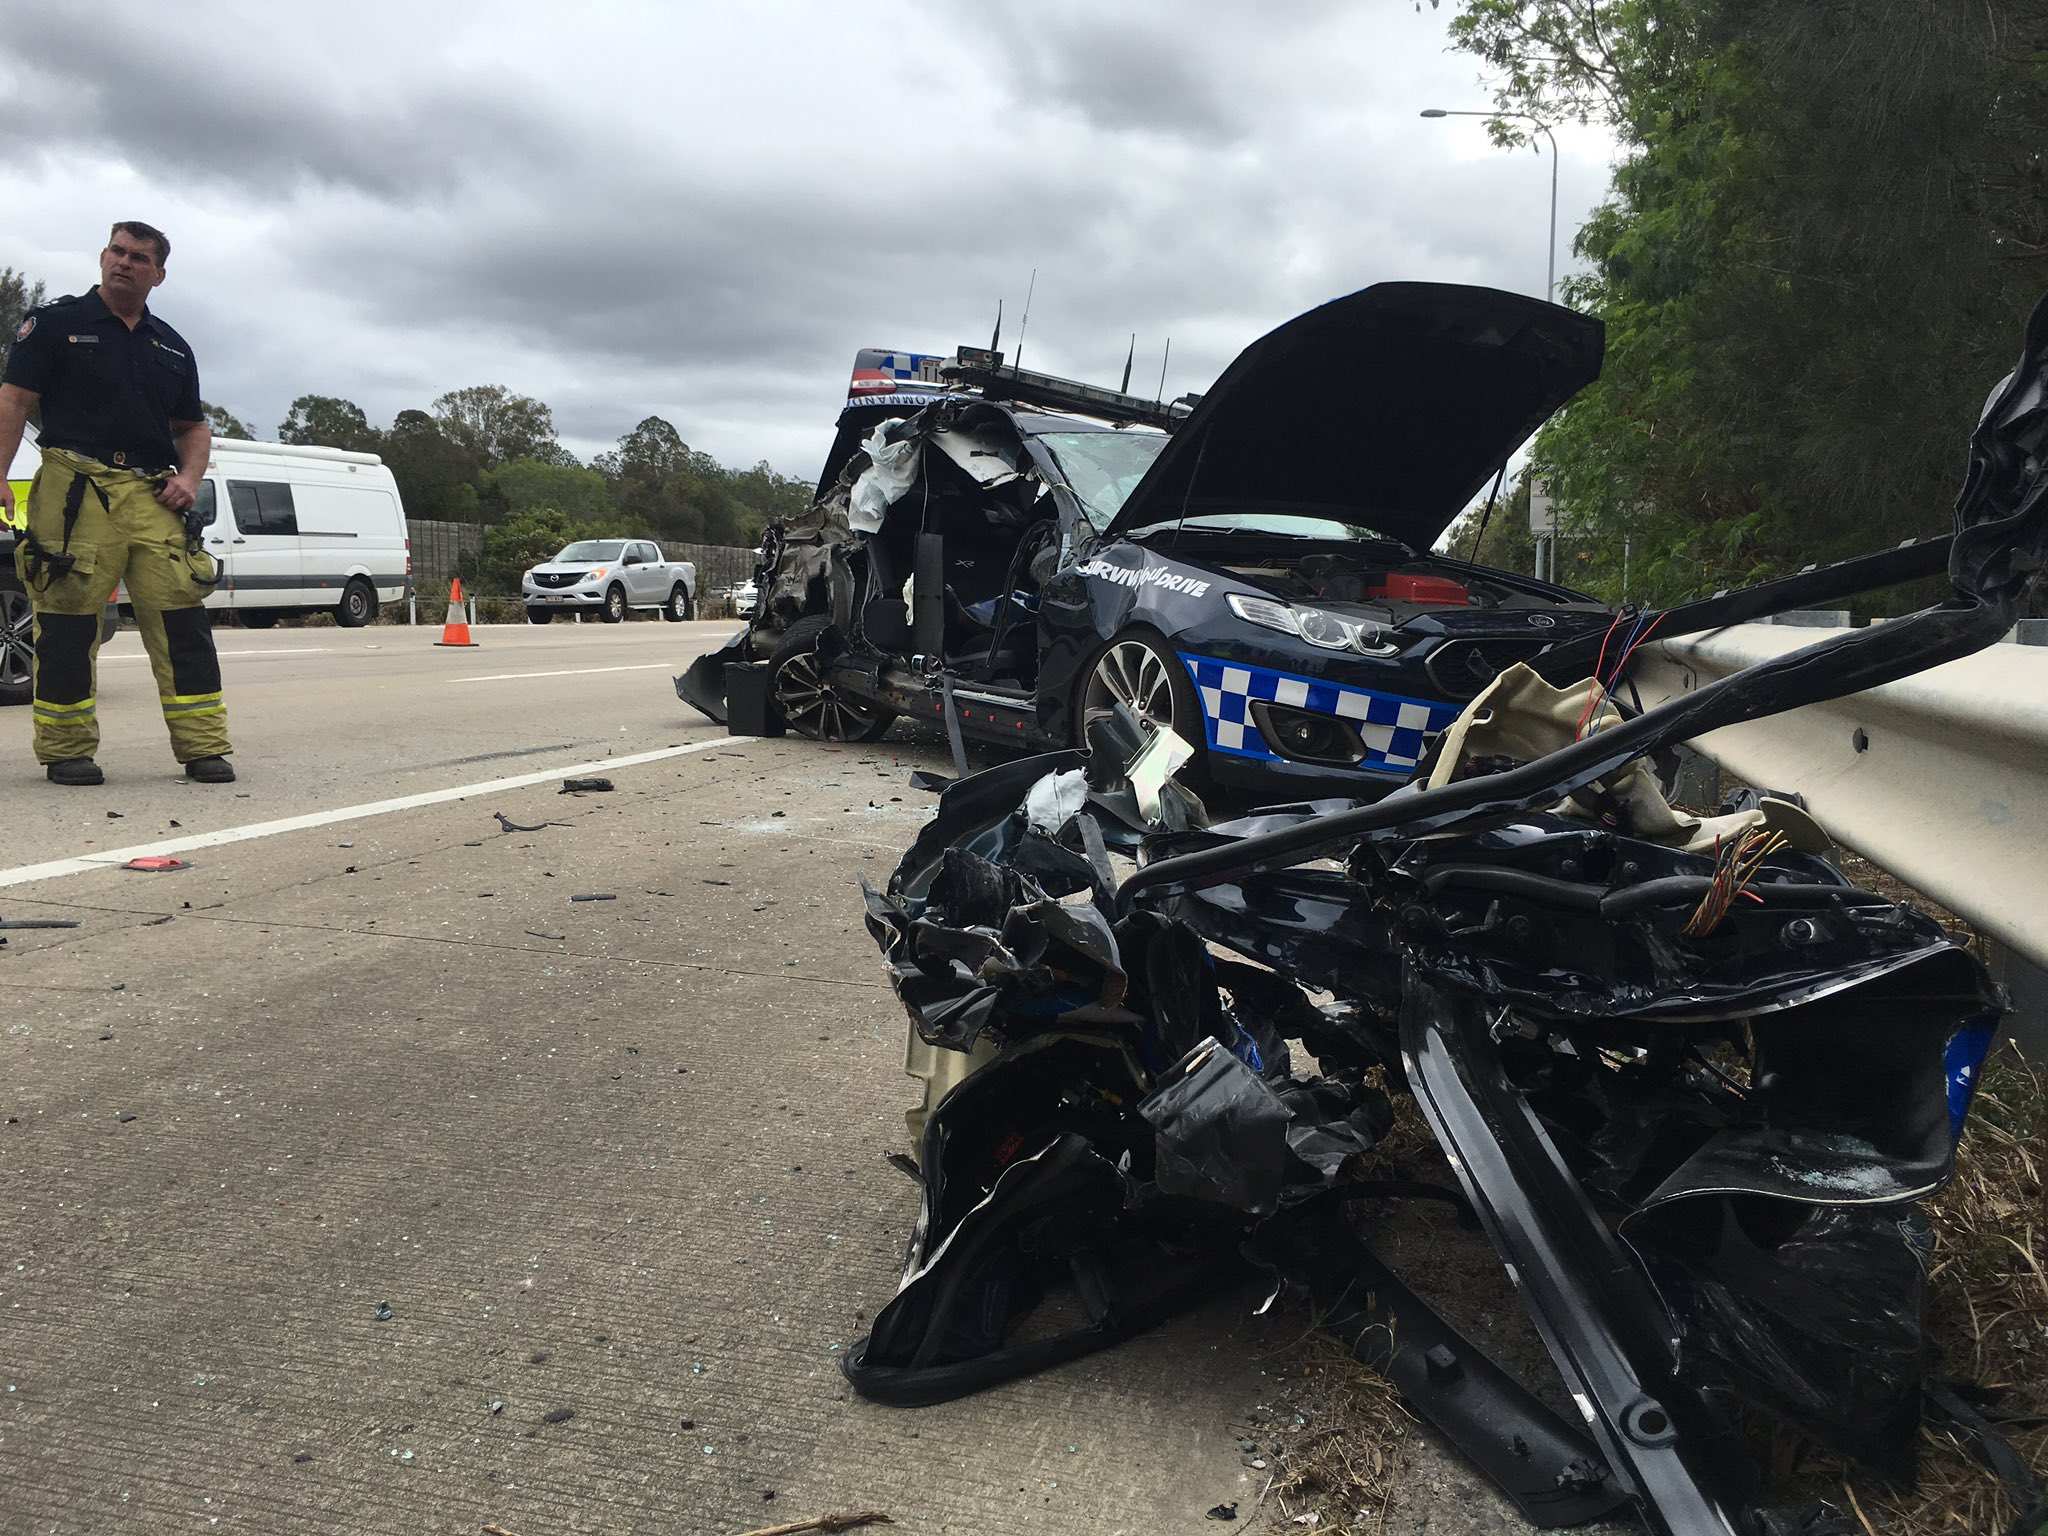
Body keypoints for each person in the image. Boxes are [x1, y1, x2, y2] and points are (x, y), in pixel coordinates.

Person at [0, 220, 233, 786]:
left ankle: (203, 746)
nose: (123, 262)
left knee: (182, 618)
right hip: (75, 486)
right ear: (104, 256)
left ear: (158, 273)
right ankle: (66, 749)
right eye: (116, 251)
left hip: (153, 494)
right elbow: (14, 400)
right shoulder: (56, 323)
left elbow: (192, 428)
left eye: (138, 257)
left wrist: (190, 478)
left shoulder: (171, 346)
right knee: (68, 619)